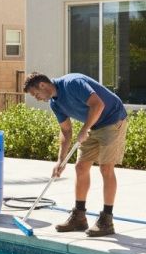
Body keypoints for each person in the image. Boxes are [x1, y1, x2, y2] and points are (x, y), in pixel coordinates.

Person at [24, 71, 128, 237]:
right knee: (80, 167)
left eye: (36, 94)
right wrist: (60, 161)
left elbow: (98, 105)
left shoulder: (73, 83)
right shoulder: (55, 104)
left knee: (105, 168)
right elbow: (66, 131)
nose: (37, 98)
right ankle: (79, 217)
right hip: (93, 124)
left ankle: (107, 220)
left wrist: (85, 128)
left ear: (43, 85)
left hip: (112, 119)